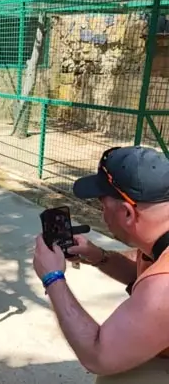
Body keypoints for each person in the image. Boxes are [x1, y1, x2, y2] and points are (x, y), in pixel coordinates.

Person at [33, 145, 169, 382]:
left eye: (102, 206)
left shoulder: (163, 285)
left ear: (127, 213)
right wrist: (98, 256)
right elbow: (141, 269)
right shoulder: (160, 245)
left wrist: (52, 277)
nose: (102, 214)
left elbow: (97, 355)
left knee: (114, 378)